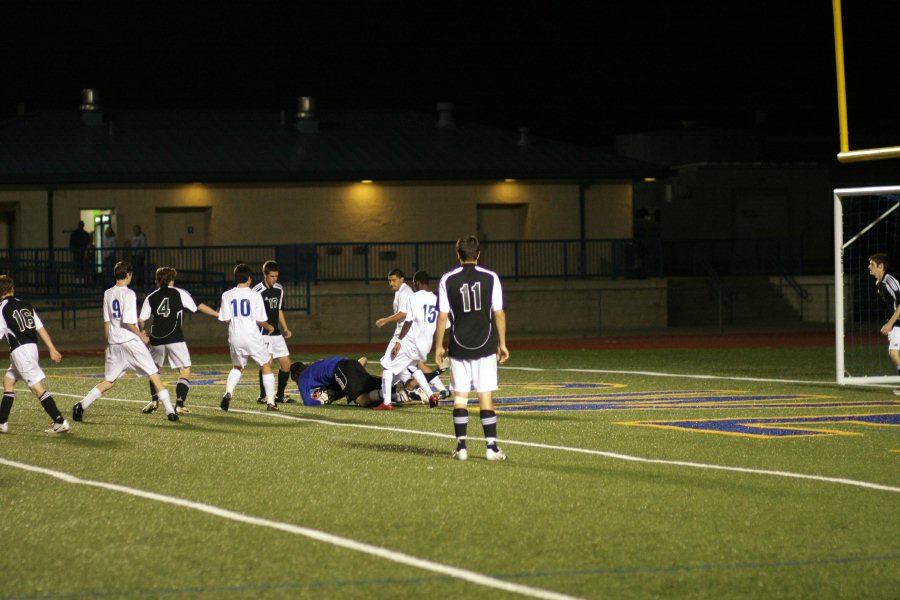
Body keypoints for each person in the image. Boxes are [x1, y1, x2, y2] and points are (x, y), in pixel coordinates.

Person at [72, 261, 178, 423]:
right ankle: (170, 412)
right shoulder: (129, 294)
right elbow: (128, 322)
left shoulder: (108, 293)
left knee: (109, 381)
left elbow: (107, 322)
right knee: (153, 374)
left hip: (115, 343)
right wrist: (141, 335)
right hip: (130, 342)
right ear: (128, 275)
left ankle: (81, 405)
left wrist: (109, 342)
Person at [434, 235, 509, 461]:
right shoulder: (491, 278)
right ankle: (491, 448)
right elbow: (498, 312)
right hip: (485, 346)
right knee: (485, 397)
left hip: (459, 346)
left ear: (458, 254)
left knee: (460, 398)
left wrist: (439, 346)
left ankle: (462, 447)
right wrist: (502, 343)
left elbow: (442, 316)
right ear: (478, 254)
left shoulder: (447, 279)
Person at [138, 266, 219, 415]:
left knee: (154, 370)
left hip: (156, 338)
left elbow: (141, 320)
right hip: (175, 337)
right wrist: (217, 314)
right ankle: (180, 404)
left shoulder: (151, 297)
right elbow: (198, 306)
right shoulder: (180, 293)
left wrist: (143, 331)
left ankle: (154, 400)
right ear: (172, 280)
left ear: (157, 281)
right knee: (185, 369)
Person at [0, 275, 70, 434]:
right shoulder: (26, 305)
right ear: (12, 289)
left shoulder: (1, 309)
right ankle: (1, 422)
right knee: (8, 381)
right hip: (32, 348)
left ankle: (60, 421)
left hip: (20, 351)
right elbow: (40, 328)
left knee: (36, 388)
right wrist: (52, 348)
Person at [377, 270, 447, 411]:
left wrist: (399, 341)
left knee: (387, 366)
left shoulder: (413, 297)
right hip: (425, 344)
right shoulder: (437, 299)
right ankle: (431, 395)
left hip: (410, 341)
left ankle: (386, 402)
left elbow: (408, 321)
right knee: (412, 367)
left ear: (417, 283)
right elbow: (444, 323)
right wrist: (441, 344)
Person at [218, 263, 276, 412]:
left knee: (238, 367)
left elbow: (225, 319)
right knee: (266, 365)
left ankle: (228, 392)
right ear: (250, 278)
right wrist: (269, 326)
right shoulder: (255, 295)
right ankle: (271, 402)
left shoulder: (227, 295)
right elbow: (259, 318)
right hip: (252, 336)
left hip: (235, 336)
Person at [252, 260, 294, 404]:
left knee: (286, 363)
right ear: (265, 275)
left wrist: (285, 328)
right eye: (272, 276)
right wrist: (264, 325)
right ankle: (263, 395)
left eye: (276, 276)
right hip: (262, 333)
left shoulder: (279, 289)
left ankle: (280, 395)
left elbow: (279, 310)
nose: (275, 279)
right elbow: (252, 315)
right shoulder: (257, 291)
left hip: (275, 333)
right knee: (267, 363)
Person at [290, 356, 385, 407]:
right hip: (351, 364)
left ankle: (386, 394)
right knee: (376, 388)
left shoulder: (302, 377)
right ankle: (394, 393)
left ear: (295, 376)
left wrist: (322, 400)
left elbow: (308, 402)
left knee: (362, 400)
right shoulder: (314, 367)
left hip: (341, 369)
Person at [868, 253, 900, 394]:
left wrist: (890, 324)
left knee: (893, 353)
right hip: (895, 322)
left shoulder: (890, 281)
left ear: (881, 266)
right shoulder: (879, 283)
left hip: (898, 322)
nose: (869, 267)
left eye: (872, 264)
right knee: (893, 353)